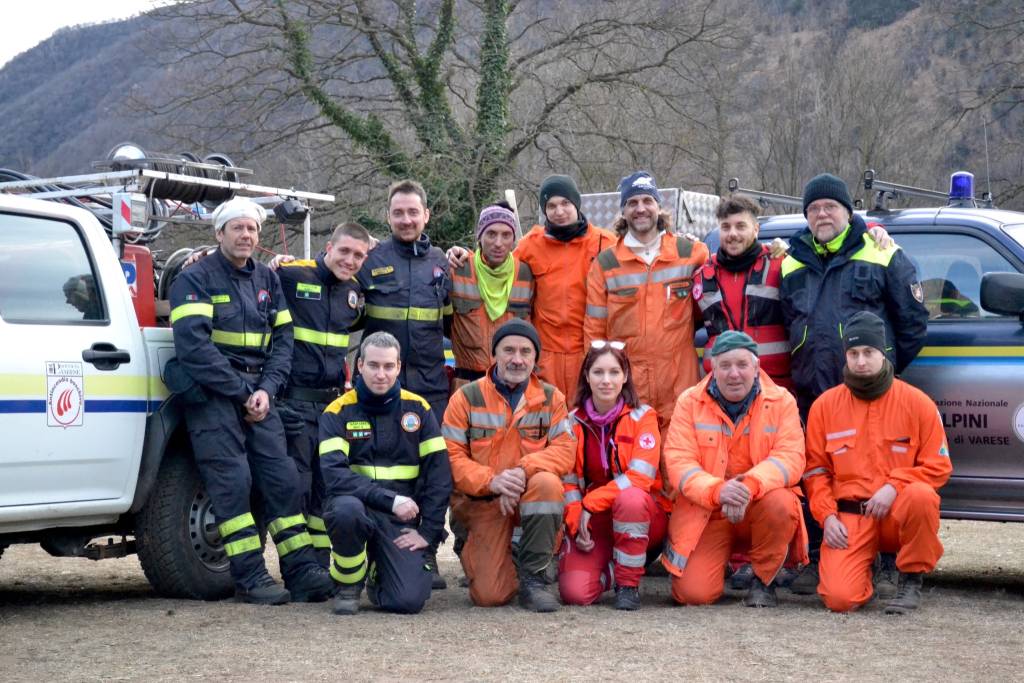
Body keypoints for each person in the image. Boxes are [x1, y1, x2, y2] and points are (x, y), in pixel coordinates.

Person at [167, 196, 333, 605]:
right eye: (237, 228)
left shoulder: (267, 279)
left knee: (282, 481)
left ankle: (300, 570)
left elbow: (284, 339)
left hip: (261, 395)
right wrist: (243, 392)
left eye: (252, 229)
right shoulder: (194, 279)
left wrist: (267, 389)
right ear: (218, 233)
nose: (245, 234)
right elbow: (193, 348)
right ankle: (250, 575)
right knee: (233, 484)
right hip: (214, 398)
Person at [781, 172, 929, 595]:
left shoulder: (882, 252)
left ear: (848, 211)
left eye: (830, 207)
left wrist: (886, 369)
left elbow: (913, 321)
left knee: (879, 473)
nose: (821, 214)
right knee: (817, 473)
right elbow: (784, 321)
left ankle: (884, 561)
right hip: (814, 393)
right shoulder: (791, 260)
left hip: (871, 393)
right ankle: (814, 555)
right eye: (813, 209)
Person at [803, 312, 952, 614]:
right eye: (853, 353)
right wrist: (827, 517)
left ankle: (910, 578)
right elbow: (815, 471)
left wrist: (894, 487)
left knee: (921, 496)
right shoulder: (825, 406)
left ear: (882, 353)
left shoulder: (917, 403)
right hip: (850, 518)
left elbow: (938, 467)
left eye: (868, 352)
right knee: (839, 600)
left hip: (897, 512)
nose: (860, 362)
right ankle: (862, 571)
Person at [661, 331, 806, 607]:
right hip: (708, 510)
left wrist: (748, 486)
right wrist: (719, 491)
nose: (734, 373)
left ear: (757, 368)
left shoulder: (782, 401)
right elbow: (679, 463)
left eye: (742, 365)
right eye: (725, 366)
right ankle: (719, 565)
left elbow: (791, 459)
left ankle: (763, 581)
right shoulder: (689, 402)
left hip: (759, 504)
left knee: (781, 503)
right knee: (693, 595)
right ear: (713, 369)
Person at [357, 179, 453, 589]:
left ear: (426, 215)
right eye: (399, 212)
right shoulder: (369, 260)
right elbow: (335, 285)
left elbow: (453, 322)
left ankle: (427, 550)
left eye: (414, 212)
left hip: (431, 387)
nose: (407, 219)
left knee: (431, 472)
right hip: (384, 389)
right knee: (385, 469)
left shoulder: (443, 264)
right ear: (388, 216)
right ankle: (382, 551)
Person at [443, 318, 576, 612]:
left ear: (535, 358)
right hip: (483, 501)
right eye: (508, 350)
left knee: (548, 484)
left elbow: (565, 452)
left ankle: (534, 579)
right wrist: (492, 481)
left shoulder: (553, 399)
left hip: (526, 493)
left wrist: (520, 472)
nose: (517, 359)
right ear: (494, 355)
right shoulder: (465, 398)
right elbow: (451, 458)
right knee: (490, 596)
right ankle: (493, 555)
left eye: (525, 352)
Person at [318, 331, 452, 615]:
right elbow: (334, 475)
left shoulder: (419, 409)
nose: (381, 374)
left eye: (388, 366)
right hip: (357, 507)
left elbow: (439, 476)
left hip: (399, 519)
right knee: (345, 512)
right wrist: (390, 499)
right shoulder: (337, 412)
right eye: (374, 365)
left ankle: (379, 573)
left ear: (399, 367)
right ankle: (348, 584)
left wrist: (428, 533)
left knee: (407, 602)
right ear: (360, 365)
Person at [448, 176, 616, 401]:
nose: (559, 211)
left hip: (588, 353)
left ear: (576, 204)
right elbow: (498, 264)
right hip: (545, 357)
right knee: (546, 421)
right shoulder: (531, 244)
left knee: (586, 421)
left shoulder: (606, 244)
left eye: (565, 203)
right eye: (551, 206)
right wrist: (463, 255)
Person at [275, 222, 372, 564]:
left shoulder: (356, 293)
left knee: (324, 489)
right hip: (295, 403)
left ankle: (318, 564)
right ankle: (298, 569)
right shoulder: (290, 275)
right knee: (296, 490)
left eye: (358, 255)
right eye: (344, 251)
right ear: (328, 247)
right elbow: (249, 278)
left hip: (332, 408)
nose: (350, 260)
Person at [583, 171, 708, 431]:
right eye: (632, 203)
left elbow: (726, 276)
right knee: (636, 461)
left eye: (647, 201)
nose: (641, 209)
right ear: (623, 212)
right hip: (629, 385)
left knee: (677, 461)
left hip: (679, 383)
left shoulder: (691, 253)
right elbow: (594, 331)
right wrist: (599, 382)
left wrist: (771, 251)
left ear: (659, 207)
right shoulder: (606, 264)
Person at [558, 341, 670, 610]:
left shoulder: (644, 417)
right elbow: (568, 478)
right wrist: (576, 519)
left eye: (614, 373)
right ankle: (612, 564)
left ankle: (628, 584)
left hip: (643, 514)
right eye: (598, 372)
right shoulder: (571, 422)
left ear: (625, 376)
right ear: (586, 376)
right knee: (575, 593)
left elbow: (640, 478)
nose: (606, 380)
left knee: (630, 498)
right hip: (594, 518)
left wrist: (589, 503)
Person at [694, 196, 792, 390]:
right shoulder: (701, 277)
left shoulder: (780, 265)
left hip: (775, 389)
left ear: (756, 229)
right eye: (725, 227)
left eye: (740, 226)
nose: (732, 234)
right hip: (721, 389)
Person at [449, 203, 534, 387]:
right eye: (491, 234)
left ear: (513, 239)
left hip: (514, 384)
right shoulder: (458, 269)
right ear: (480, 236)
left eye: (506, 235)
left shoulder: (526, 274)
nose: (498, 243)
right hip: (467, 384)